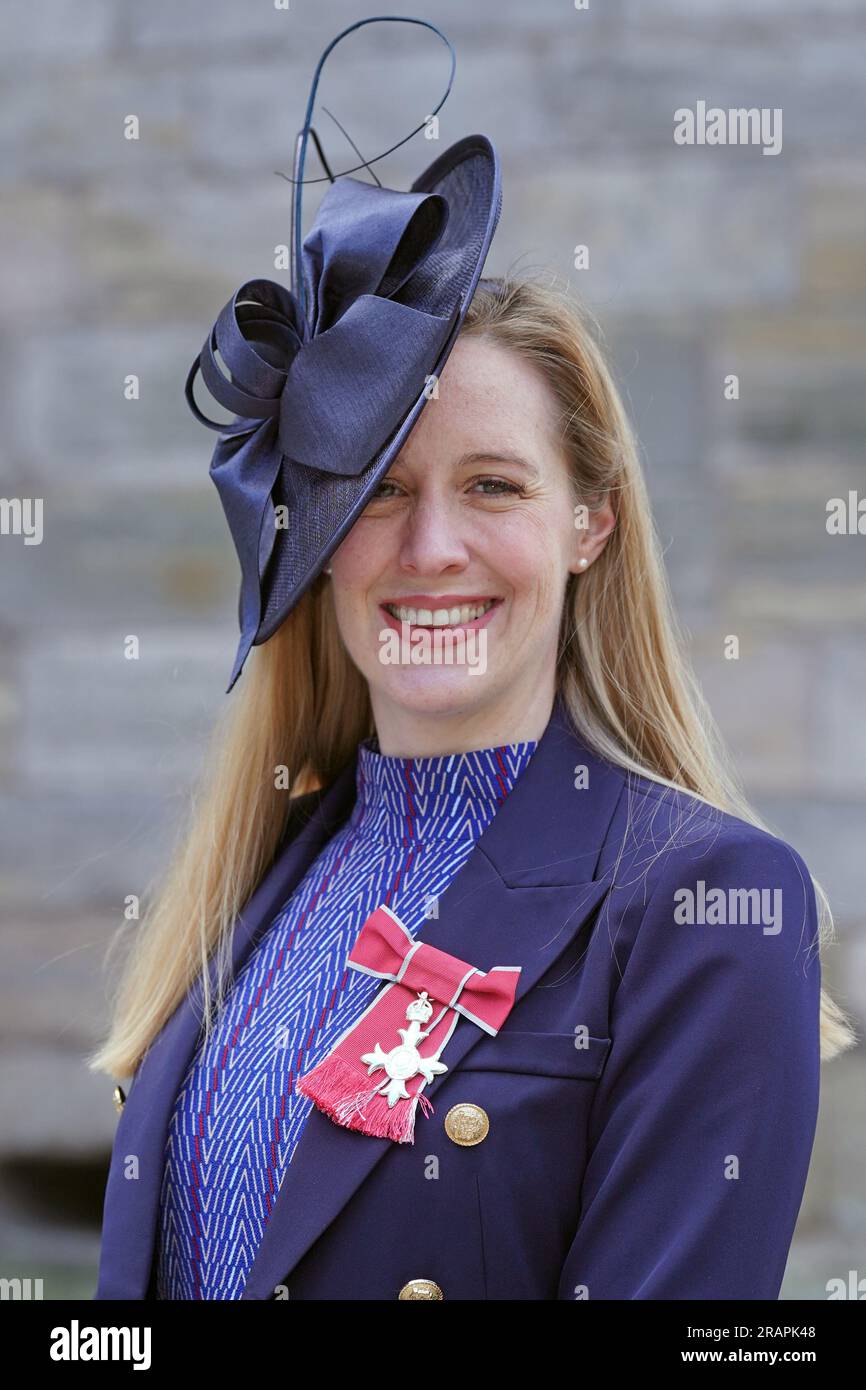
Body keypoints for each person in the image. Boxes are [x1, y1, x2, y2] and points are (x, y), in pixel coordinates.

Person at [89, 18, 856, 1301]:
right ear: (318, 533)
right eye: (377, 491)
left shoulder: (709, 909)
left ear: (584, 527)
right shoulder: (251, 886)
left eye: (492, 486)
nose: (429, 545)